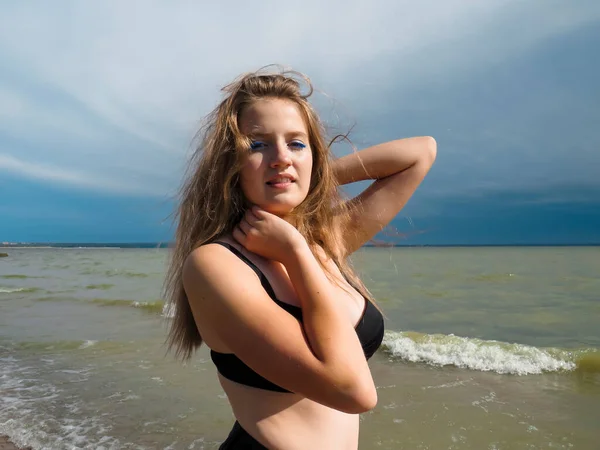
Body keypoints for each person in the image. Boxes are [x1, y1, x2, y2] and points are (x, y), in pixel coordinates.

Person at [164, 67, 437, 449]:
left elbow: (421, 153)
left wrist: (312, 180)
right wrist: (295, 254)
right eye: (257, 145)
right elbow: (355, 392)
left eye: (296, 143)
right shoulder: (215, 264)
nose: (280, 158)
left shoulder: (324, 240)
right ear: (230, 164)